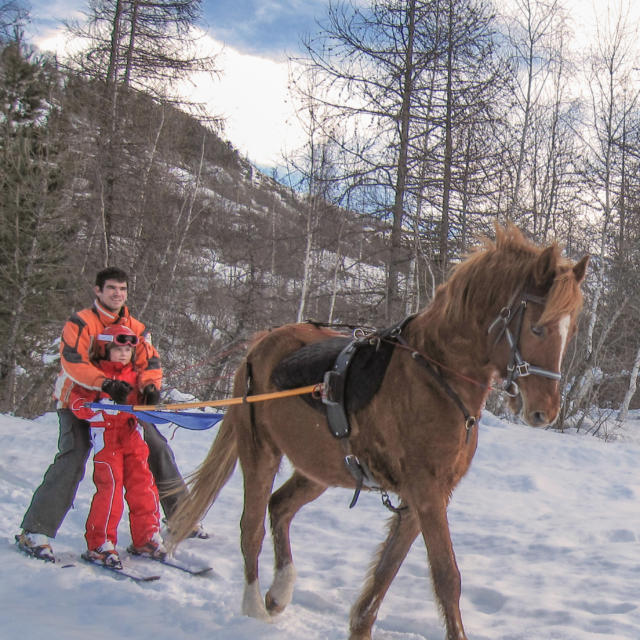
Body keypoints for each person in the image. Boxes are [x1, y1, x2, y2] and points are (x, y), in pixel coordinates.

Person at [16, 267, 206, 561]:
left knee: (155, 447)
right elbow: (73, 362)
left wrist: (151, 388)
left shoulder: (137, 329)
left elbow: (150, 362)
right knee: (74, 454)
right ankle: (35, 530)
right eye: (111, 289)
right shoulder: (81, 322)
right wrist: (103, 383)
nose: (117, 294)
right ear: (98, 291)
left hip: (124, 407)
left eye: (122, 289)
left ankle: (181, 517)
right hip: (79, 401)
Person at [70, 325, 167, 567]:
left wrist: (151, 395)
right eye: (118, 349)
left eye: (127, 349)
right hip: (107, 441)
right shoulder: (93, 375)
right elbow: (78, 403)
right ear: (105, 349)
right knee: (110, 490)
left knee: (143, 486)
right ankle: (100, 543)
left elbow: (143, 399)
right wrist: (103, 401)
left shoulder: (134, 375)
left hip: (132, 438)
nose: (123, 354)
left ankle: (146, 537)